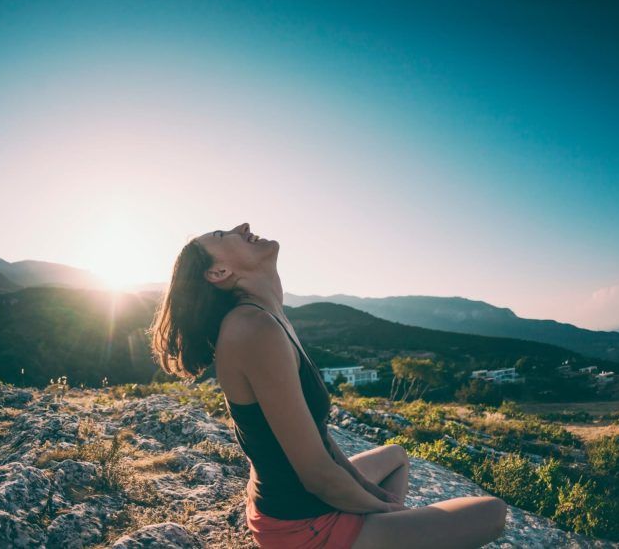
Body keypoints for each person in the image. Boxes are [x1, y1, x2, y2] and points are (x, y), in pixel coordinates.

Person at [148, 222, 506, 548]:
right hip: (300, 526)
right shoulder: (252, 328)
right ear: (219, 272)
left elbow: (318, 437)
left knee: (395, 457)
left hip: (295, 504)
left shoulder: (267, 317)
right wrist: (389, 512)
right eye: (222, 235)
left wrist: (376, 501)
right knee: (493, 513)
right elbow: (317, 475)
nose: (242, 226)